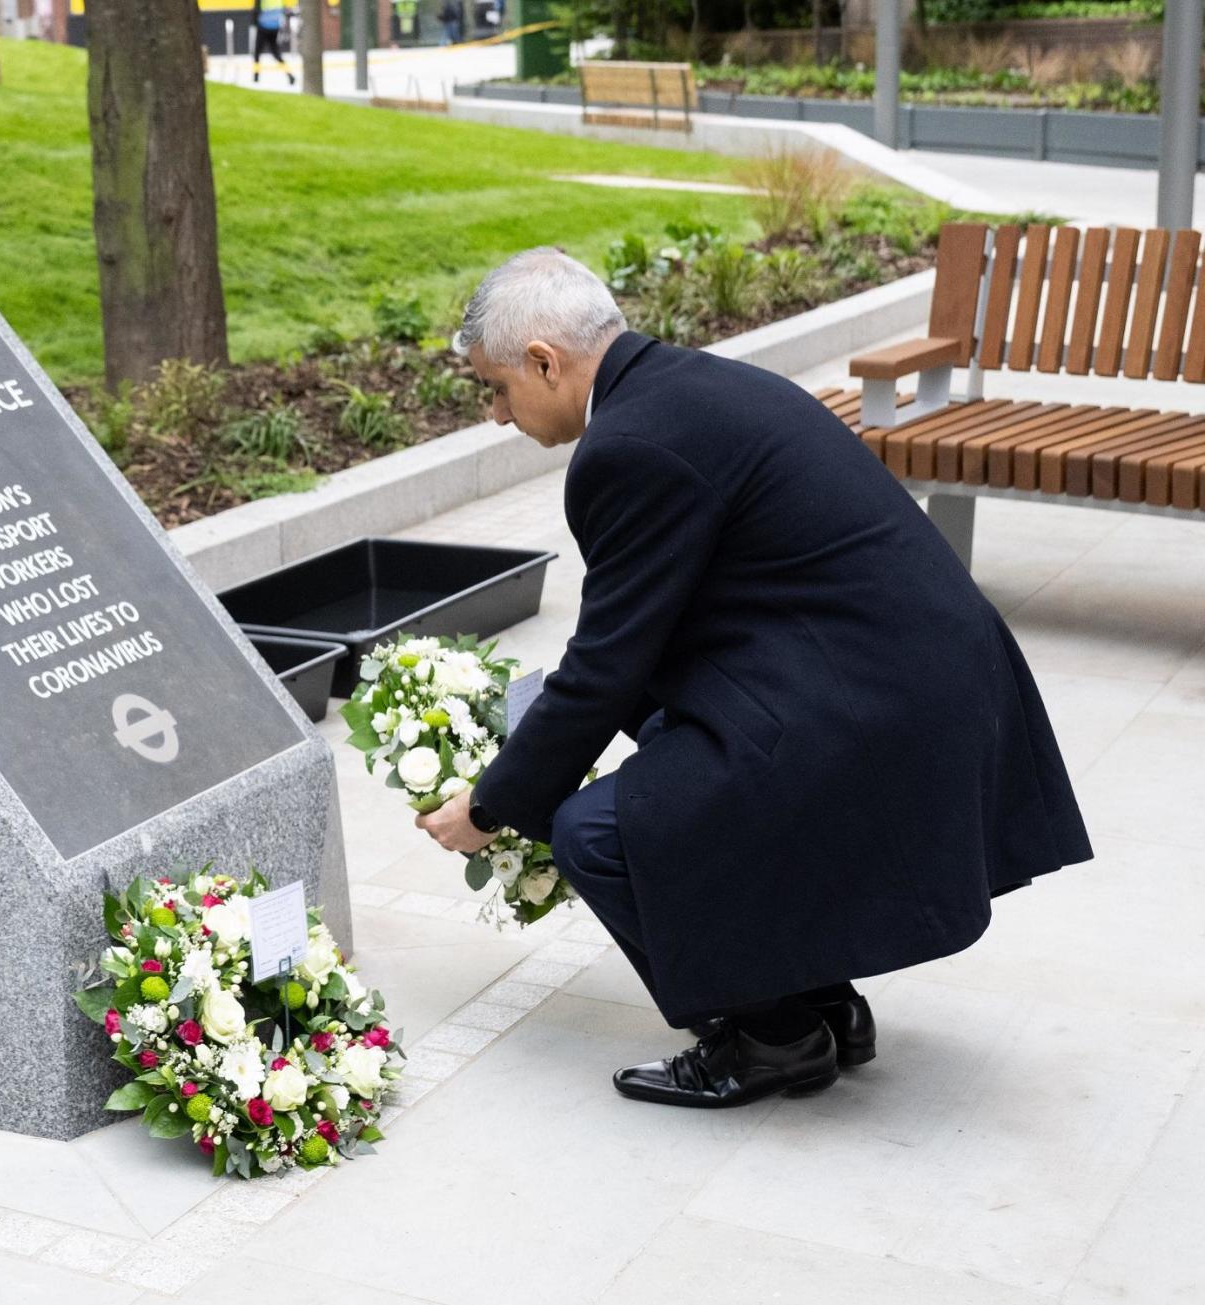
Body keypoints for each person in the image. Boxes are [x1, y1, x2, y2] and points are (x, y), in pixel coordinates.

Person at [417, 247, 1091, 1109]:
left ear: (546, 361)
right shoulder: (692, 386)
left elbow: (606, 664)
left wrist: (489, 806)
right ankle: (820, 1002)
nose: (497, 415)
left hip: (877, 709)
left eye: (498, 388)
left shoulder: (627, 448)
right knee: (673, 753)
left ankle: (769, 1039)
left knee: (598, 829)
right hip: (915, 679)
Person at [250, 0, 293, 86]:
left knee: (257, 52)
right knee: (276, 52)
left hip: (263, 26)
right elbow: (284, 9)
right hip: (275, 27)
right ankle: (289, 74)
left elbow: (256, 10)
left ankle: (256, 75)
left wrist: (254, 23)